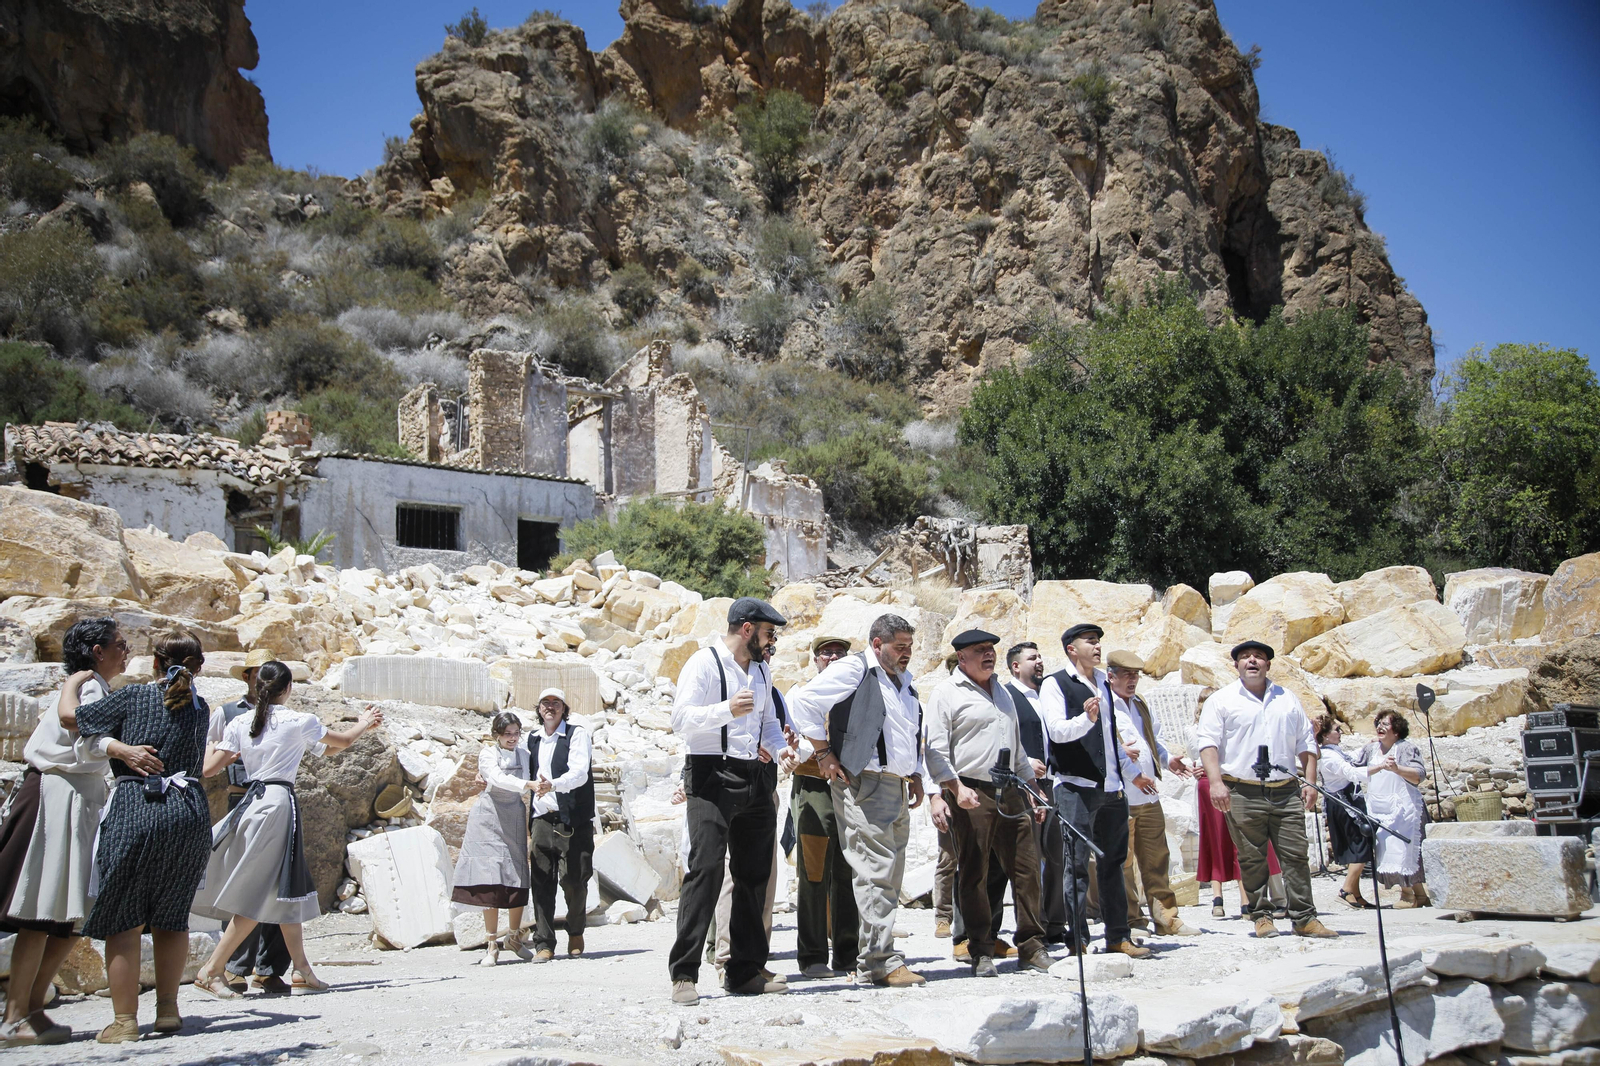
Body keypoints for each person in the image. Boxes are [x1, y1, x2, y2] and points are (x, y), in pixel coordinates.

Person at [192, 662, 382, 996]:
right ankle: (212, 969)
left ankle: (302, 970)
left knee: (283, 890)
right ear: (289, 688)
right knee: (262, 893)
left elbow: (208, 769)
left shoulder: (241, 722)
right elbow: (344, 741)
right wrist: (364, 723)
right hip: (278, 804)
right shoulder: (298, 721)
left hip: (251, 803)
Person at [65, 629, 213, 1043]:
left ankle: (125, 1021)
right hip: (188, 810)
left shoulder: (134, 697)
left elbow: (71, 719)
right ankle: (168, 1009)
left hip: (137, 806)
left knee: (125, 921)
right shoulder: (201, 707)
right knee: (171, 915)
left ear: (154, 662)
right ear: (199, 666)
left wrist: (74, 681)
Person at [0, 618, 138, 1047]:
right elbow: (87, 740)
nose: (126, 650)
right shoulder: (91, 686)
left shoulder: (88, 684)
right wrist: (122, 749)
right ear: (97, 650)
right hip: (59, 798)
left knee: (63, 915)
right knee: (42, 912)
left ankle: (29, 1008)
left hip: (72, 797)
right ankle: (17, 1014)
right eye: (119, 643)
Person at [789, 613, 930, 989]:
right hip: (864, 783)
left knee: (888, 874)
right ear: (877, 643)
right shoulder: (856, 670)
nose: (907, 654)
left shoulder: (902, 682)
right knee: (873, 871)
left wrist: (914, 773)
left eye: (910, 647)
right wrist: (823, 754)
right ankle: (879, 960)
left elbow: (905, 730)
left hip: (895, 786)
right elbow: (804, 703)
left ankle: (872, 957)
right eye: (900, 647)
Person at [667, 597, 789, 1005]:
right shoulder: (704, 663)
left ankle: (744, 970)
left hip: (755, 777)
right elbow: (680, 720)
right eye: (769, 633)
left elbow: (769, 722)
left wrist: (782, 747)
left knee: (754, 874)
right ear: (748, 629)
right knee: (705, 870)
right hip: (710, 774)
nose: (772, 641)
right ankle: (684, 973)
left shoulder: (762, 670)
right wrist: (726, 710)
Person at [925, 630, 1052, 978]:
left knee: (1026, 868)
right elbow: (934, 749)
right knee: (975, 871)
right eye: (980, 650)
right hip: (970, 790)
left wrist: (1031, 785)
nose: (989, 655)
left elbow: (1018, 747)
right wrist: (951, 788)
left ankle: (1031, 944)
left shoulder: (1003, 692)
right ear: (961, 658)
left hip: (1009, 788)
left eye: (991, 650)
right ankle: (980, 949)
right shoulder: (946, 693)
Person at [1196, 640, 1337, 939]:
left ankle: (1304, 918)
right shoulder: (1221, 701)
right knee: (1251, 856)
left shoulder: (1287, 699)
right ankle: (1261, 916)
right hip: (1242, 790)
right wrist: (1217, 782)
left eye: (1259, 657)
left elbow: (1306, 743)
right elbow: (1208, 743)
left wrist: (1310, 781)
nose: (1252, 661)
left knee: (1296, 854)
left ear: (1268, 664)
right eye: (1245, 657)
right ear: (1235, 665)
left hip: (1285, 790)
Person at [1038, 623, 1149, 959]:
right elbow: (1057, 732)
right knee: (1075, 865)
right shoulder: (1055, 684)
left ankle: (1119, 935)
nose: (1097, 647)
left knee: (1113, 863)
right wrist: (1085, 719)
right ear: (1072, 648)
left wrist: (1129, 771)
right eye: (1090, 642)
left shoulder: (1103, 680)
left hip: (1111, 788)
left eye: (1099, 641)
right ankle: (1078, 940)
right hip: (1076, 787)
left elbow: (1111, 734)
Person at [779, 635, 860, 979]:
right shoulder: (799, 695)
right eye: (826, 653)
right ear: (815, 660)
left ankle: (847, 954)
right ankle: (812, 955)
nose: (832, 657)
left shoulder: (856, 699)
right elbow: (788, 745)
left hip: (851, 791)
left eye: (839, 653)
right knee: (813, 873)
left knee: (848, 872)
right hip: (813, 789)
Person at [1105, 650, 1199, 937]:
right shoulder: (1104, 706)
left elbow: (1152, 738)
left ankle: (1166, 917)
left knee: (1157, 859)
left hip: (1148, 796)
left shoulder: (1140, 704)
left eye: (1135, 675)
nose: (1132, 680)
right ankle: (1132, 921)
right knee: (1124, 863)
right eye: (1126, 675)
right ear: (1111, 677)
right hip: (1121, 797)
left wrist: (1168, 758)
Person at [215, 647, 292, 993]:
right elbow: (212, 753)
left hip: (270, 800)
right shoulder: (228, 714)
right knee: (243, 883)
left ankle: (270, 967)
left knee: (279, 883)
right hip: (241, 799)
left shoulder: (286, 716)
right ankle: (234, 966)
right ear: (248, 677)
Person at [1194, 687, 1288, 919]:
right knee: (1229, 839)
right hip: (1218, 782)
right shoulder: (1203, 729)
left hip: (1221, 782)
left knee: (1231, 839)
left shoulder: (1214, 727)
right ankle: (1235, 898)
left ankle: (1234, 897)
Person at [451, 710, 535, 966]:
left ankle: (513, 937)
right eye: (507, 734)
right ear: (496, 735)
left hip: (514, 814)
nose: (512, 738)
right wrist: (526, 785)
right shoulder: (488, 754)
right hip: (489, 815)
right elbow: (496, 777)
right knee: (490, 875)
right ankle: (491, 944)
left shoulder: (524, 754)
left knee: (516, 874)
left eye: (516, 733)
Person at [1004, 641, 1069, 945]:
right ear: (1016, 666)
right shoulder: (1007, 696)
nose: (1040, 662)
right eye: (1032, 658)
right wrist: (1025, 764)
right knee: (1028, 860)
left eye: (1040, 656)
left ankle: (1055, 921)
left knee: (1056, 855)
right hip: (1022, 786)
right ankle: (1032, 926)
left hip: (1051, 785)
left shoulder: (1047, 696)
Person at [526, 688, 598, 961]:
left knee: (574, 880)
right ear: (539, 708)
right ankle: (544, 942)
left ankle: (576, 930)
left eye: (556, 703)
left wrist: (553, 785)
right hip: (542, 818)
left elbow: (579, 773)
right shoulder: (531, 739)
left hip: (573, 819)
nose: (551, 707)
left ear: (564, 708)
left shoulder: (576, 734)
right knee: (541, 881)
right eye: (546, 703)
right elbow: (517, 768)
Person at [1352, 711, 1430, 907]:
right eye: (1379, 723)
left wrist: (1397, 769)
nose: (1380, 726)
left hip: (1404, 810)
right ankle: (1419, 895)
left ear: (1397, 731)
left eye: (1386, 724)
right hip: (1380, 808)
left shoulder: (1406, 749)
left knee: (1404, 851)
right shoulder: (1370, 749)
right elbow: (1354, 768)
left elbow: (1419, 775)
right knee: (1387, 851)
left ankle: (1408, 895)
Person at [1314, 713, 1374, 909]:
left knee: (1360, 844)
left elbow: (1353, 758)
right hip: (1344, 804)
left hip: (1346, 803)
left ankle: (1356, 893)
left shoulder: (1335, 752)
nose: (1340, 732)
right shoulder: (1329, 756)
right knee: (1361, 844)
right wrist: (1380, 768)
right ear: (1325, 736)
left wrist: (1368, 745)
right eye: (1336, 730)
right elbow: (1351, 771)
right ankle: (1346, 889)